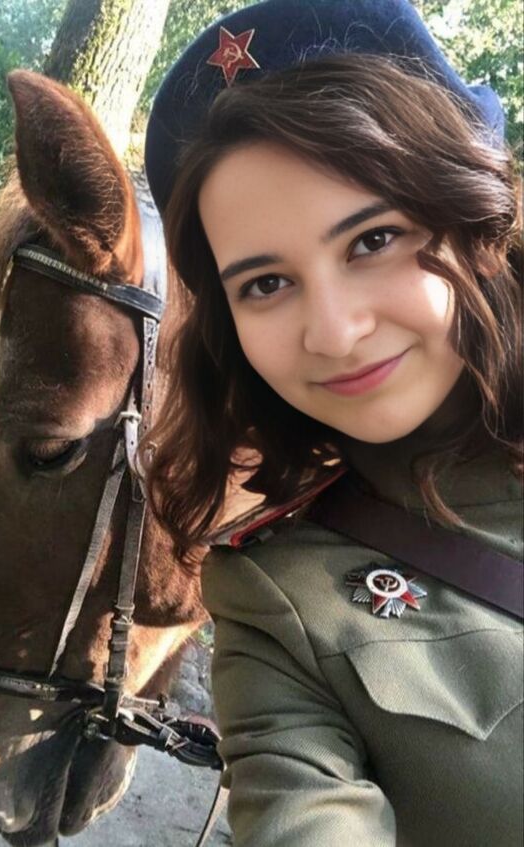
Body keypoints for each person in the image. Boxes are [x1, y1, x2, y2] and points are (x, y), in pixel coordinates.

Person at [143, 1, 523, 844]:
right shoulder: (278, 602)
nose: (335, 332)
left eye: (373, 239)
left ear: (474, 215)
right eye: (266, 284)